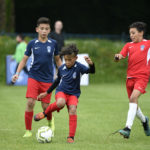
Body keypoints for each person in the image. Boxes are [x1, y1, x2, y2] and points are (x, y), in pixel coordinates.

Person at [34, 44, 95, 143]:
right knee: (60, 103)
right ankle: (45, 114)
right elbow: (57, 82)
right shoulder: (62, 68)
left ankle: (71, 137)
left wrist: (91, 64)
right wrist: (46, 93)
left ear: (75, 58)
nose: (67, 62)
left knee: (73, 109)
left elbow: (91, 71)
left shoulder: (79, 67)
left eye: (69, 60)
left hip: (73, 94)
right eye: (65, 60)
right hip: (61, 91)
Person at [12, 17, 62, 138]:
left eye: (46, 29)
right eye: (42, 28)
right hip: (33, 76)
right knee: (30, 102)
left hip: (48, 79)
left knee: (46, 107)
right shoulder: (32, 44)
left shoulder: (53, 44)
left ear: (49, 30)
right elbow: (24, 60)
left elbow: (58, 60)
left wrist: (63, 74)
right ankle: (28, 130)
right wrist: (17, 73)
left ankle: (50, 121)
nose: (44, 31)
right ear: (37, 29)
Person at [114, 22, 150, 138]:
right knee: (133, 104)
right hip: (130, 78)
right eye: (130, 33)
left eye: (134, 33)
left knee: (133, 98)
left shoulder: (148, 44)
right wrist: (118, 57)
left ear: (141, 33)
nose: (131, 35)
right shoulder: (128, 45)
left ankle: (127, 128)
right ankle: (144, 121)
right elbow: (121, 55)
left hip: (142, 77)